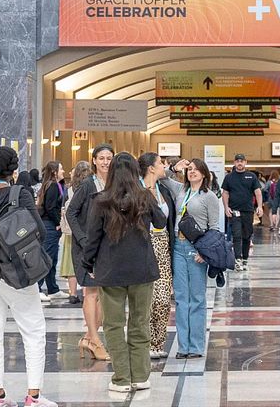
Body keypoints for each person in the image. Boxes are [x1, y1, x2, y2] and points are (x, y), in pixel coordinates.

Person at [0, 145, 57, 407]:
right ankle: (34, 397)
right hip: (15, 269)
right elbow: (40, 231)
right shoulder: (21, 194)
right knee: (33, 330)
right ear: (13, 170)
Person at [81, 152, 167, 395]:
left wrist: (88, 264)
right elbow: (161, 222)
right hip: (142, 270)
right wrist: (150, 192)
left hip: (111, 271)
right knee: (140, 323)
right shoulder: (144, 197)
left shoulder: (100, 200)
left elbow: (93, 238)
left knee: (114, 325)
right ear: (135, 173)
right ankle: (140, 376)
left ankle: (121, 378)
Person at [65, 144, 114, 361]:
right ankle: (94, 340)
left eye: (109, 158)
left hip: (108, 246)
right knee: (91, 292)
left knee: (105, 294)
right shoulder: (87, 185)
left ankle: (88, 337)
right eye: (101, 158)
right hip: (87, 247)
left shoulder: (114, 184)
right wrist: (83, 238)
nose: (105, 162)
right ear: (94, 160)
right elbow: (71, 212)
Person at [172, 158, 222, 359]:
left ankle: (196, 346)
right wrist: (174, 167)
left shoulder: (209, 196)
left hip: (196, 249)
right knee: (181, 298)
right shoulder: (180, 191)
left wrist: (205, 253)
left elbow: (215, 228)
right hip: (178, 246)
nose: (192, 172)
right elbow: (162, 179)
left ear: (204, 173)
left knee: (197, 298)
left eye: (196, 170)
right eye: (189, 169)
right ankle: (183, 346)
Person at [138, 152, 179, 360]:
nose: (164, 166)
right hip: (142, 245)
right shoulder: (136, 190)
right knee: (145, 299)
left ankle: (157, 341)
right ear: (151, 168)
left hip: (162, 244)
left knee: (163, 298)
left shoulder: (163, 190)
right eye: (161, 163)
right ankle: (142, 342)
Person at [221, 154, 262, 272]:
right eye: (237, 161)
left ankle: (245, 259)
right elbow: (225, 193)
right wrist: (226, 207)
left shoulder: (251, 176)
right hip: (234, 211)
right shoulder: (229, 177)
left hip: (248, 211)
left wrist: (259, 206)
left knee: (246, 236)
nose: (240, 163)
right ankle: (237, 259)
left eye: (242, 161)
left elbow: (258, 192)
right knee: (237, 235)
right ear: (234, 163)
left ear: (245, 162)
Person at [58, 161, 91, 306]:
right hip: (86, 231)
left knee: (71, 262)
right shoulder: (91, 186)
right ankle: (85, 292)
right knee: (87, 261)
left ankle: (72, 293)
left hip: (71, 231)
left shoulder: (69, 189)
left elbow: (63, 207)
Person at [36, 160, 67, 303]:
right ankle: (37, 287)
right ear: (54, 172)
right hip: (49, 225)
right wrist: (57, 223)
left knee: (52, 258)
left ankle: (52, 288)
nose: (63, 172)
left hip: (49, 224)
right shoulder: (53, 186)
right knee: (47, 257)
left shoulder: (55, 185)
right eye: (61, 169)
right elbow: (50, 207)